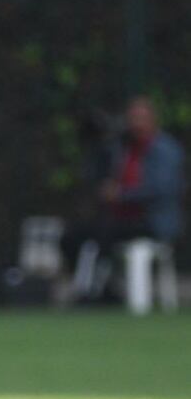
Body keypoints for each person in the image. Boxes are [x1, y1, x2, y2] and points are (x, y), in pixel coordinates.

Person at [65, 96, 185, 300]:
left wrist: (122, 194)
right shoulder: (122, 148)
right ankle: (99, 288)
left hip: (153, 221)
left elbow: (162, 189)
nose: (136, 124)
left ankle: (94, 292)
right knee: (72, 236)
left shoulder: (167, 150)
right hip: (120, 219)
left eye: (141, 119)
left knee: (106, 233)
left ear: (153, 120)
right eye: (132, 119)